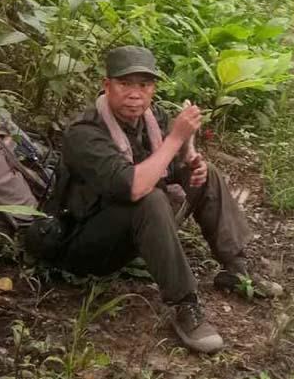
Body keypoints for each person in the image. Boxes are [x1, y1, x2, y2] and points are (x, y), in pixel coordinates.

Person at [31, 46, 281, 355]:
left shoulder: (153, 118)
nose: (136, 94)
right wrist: (176, 137)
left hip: (130, 233)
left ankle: (236, 268)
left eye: (144, 85)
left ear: (153, 89)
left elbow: (168, 166)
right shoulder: (84, 132)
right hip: (84, 246)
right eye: (125, 84)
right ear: (107, 85)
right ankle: (186, 305)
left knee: (204, 173)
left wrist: (190, 163)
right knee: (149, 198)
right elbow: (132, 187)